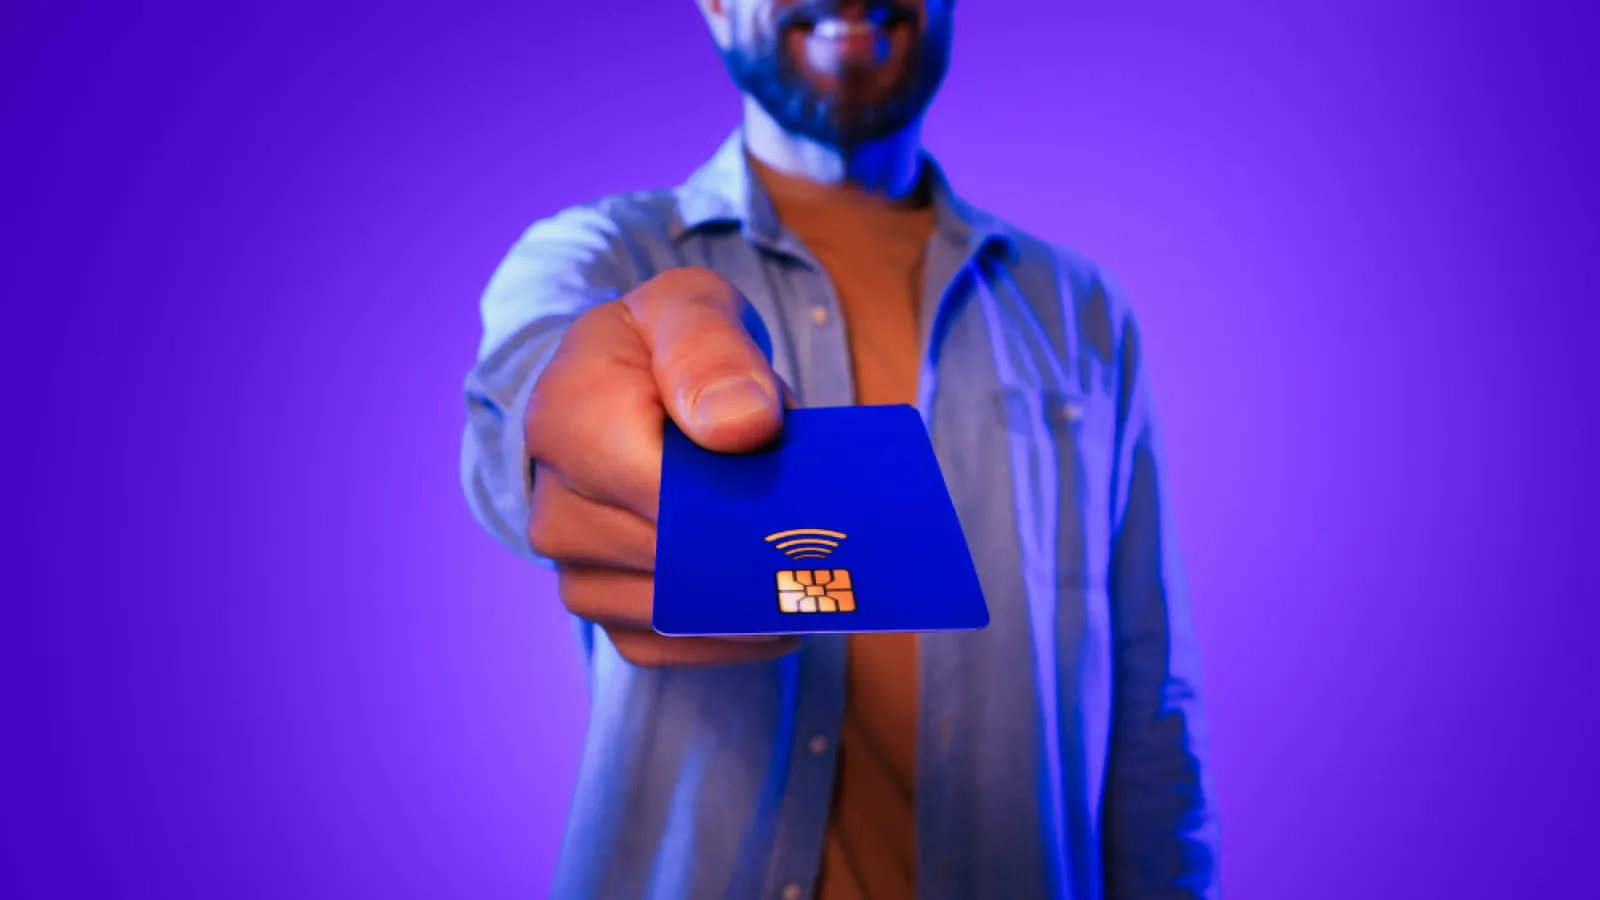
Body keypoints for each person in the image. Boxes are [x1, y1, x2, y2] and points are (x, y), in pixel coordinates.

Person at [461, 1, 1220, 897]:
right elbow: (519, 408)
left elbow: (1147, 704)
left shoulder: (1083, 312)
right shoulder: (596, 258)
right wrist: (564, 448)